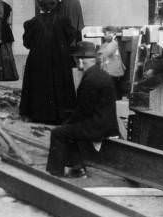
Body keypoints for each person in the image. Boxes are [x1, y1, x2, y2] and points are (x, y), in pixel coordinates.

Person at [46, 41, 120, 178]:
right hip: (106, 123)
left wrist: (67, 124)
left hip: (97, 127)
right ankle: (77, 168)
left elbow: (83, 111)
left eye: (75, 60)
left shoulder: (90, 80)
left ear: (80, 61)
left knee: (58, 133)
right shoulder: (101, 74)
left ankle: (55, 173)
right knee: (71, 130)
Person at [19, 0, 76, 124]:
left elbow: (27, 43)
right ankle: (61, 115)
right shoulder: (64, 21)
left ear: (40, 5)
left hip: (38, 60)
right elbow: (71, 38)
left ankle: (37, 114)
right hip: (60, 60)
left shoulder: (32, 22)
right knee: (60, 85)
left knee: (38, 85)